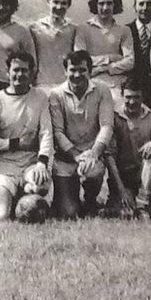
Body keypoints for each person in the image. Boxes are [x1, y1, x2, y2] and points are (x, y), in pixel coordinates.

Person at [0, 52, 52, 221]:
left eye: (24, 70)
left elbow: (46, 132)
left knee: (41, 183)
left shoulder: (40, 97)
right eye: (15, 70)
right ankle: (1, 199)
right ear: (7, 72)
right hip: (3, 169)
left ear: (32, 73)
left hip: (29, 165)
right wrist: (14, 143)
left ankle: (22, 200)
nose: (20, 74)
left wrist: (42, 163)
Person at [48, 51, 113, 219]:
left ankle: (90, 200)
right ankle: (67, 198)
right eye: (72, 70)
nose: (77, 75)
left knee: (94, 171)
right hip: (66, 159)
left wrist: (93, 154)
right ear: (65, 71)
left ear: (90, 71)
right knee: (69, 213)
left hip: (91, 156)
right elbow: (58, 132)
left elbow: (106, 126)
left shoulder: (102, 90)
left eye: (82, 70)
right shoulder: (56, 94)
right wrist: (76, 156)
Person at [104, 78, 151, 220]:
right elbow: (110, 157)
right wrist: (122, 190)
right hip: (123, 178)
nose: (132, 102)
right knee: (126, 213)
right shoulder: (115, 118)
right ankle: (128, 203)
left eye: (137, 97)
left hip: (145, 178)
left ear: (143, 97)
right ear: (122, 96)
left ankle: (143, 203)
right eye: (128, 97)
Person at [74, 0, 133, 104]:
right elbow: (81, 59)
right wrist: (111, 57)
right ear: (95, 5)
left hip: (116, 84)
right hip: (90, 82)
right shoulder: (83, 28)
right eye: (101, 3)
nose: (105, 8)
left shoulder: (124, 30)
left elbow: (129, 61)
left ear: (115, 4)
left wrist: (103, 68)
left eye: (109, 3)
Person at [29, 0, 78, 94]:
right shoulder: (34, 28)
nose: (59, 7)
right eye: (55, 2)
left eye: (63, 3)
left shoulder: (74, 29)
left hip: (66, 87)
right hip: (41, 86)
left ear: (69, 5)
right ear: (48, 2)